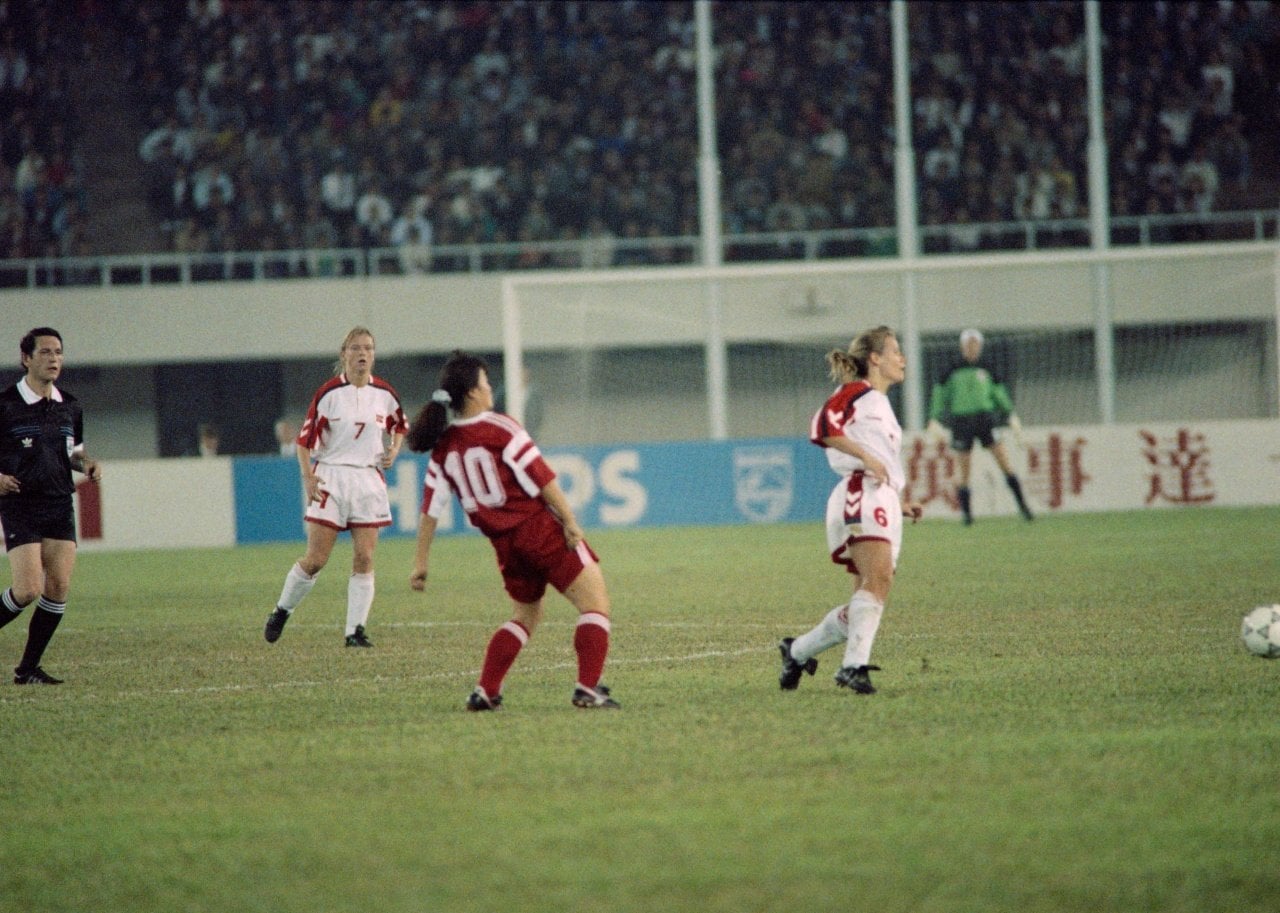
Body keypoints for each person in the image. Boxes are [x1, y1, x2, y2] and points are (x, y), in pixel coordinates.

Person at [405, 351, 618, 711]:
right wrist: (569, 520)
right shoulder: (500, 427)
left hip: (506, 547)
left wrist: (420, 563)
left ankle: (486, 691)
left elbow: (430, 510)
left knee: (525, 616)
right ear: (472, 393)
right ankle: (587, 688)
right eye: (486, 383)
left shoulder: (443, 448)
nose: (492, 390)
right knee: (595, 604)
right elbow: (541, 476)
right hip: (539, 531)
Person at [778, 326, 923, 696]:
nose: (902, 358)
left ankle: (796, 652)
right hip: (860, 494)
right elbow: (823, 425)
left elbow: (880, 456)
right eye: (895, 351)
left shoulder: (881, 405)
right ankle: (853, 667)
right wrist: (866, 457)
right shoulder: (856, 392)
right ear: (875, 358)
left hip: (881, 498)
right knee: (878, 581)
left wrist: (898, 499)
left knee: (871, 592)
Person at [264, 327, 406, 648]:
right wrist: (308, 477)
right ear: (343, 354)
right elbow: (304, 442)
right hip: (331, 476)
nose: (362, 354)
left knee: (365, 557)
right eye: (356, 348)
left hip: (368, 479)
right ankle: (282, 610)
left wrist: (394, 449)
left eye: (368, 348)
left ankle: (354, 631)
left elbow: (400, 425)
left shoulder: (384, 394)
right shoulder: (329, 395)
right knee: (316, 559)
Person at [0, 328, 102, 684]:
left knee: (57, 588)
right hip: (20, 504)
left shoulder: (70, 405)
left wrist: (86, 463)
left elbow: (74, 452)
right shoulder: (6, 405)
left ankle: (27, 669)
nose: (53, 359)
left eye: (58, 352)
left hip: (59, 503)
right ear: (26, 359)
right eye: (44, 352)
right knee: (28, 589)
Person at [926, 328, 1034, 524]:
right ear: (962, 346)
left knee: (1004, 461)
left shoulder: (988, 368)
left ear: (980, 346)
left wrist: (1010, 414)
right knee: (964, 468)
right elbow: (940, 395)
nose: (972, 348)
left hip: (985, 419)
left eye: (975, 344)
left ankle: (1023, 507)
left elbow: (998, 394)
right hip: (961, 421)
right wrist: (934, 418)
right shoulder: (951, 370)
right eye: (968, 344)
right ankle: (967, 515)